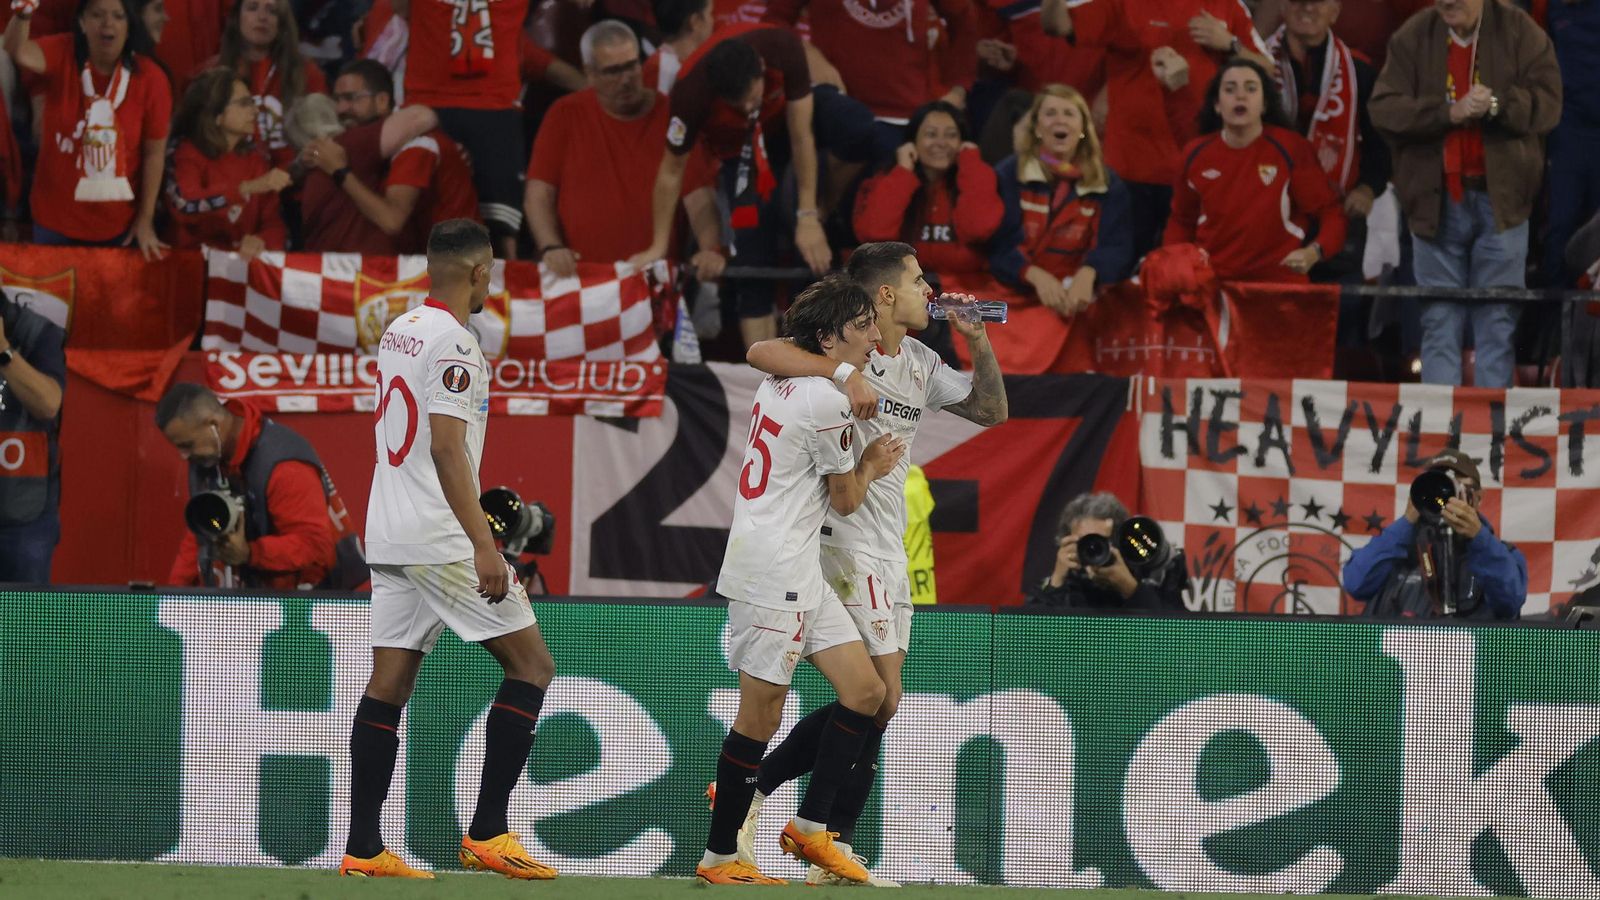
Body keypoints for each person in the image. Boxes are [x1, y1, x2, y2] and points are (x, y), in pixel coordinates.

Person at [740, 242, 1008, 884]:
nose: (929, 290)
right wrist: (842, 375)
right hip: (842, 538)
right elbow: (759, 353)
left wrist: (978, 341)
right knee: (875, 697)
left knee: (879, 704)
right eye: (918, 280)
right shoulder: (841, 352)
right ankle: (815, 831)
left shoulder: (917, 360)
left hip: (887, 547)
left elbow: (991, 411)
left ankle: (779, 805)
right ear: (885, 295)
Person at [342, 220, 559, 880]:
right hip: (439, 537)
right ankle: (489, 831)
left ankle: (364, 847)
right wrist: (483, 543)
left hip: (389, 529)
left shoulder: (401, 329)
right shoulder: (457, 344)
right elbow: (443, 447)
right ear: (481, 274)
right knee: (532, 668)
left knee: (390, 682)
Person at [698, 274, 906, 885]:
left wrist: (841, 375)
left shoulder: (787, 378)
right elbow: (844, 500)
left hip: (797, 570)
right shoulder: (827, 400)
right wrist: (870, 462)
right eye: (862, 328)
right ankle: (719, 857)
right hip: (773, 574)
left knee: (866, 693)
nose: (873, 338)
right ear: (828, 337)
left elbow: (766, 350)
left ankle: (812, 828)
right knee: (758, 718)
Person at [1369, 0, 1560, 388]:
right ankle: (1442, 431)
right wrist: (1446, 113)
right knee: (1438, 321)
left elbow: (1548, 106)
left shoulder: (1520, 31)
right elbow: (1384, 109)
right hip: (1433, 203)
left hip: (1503, 201)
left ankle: (1490, 431)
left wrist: (1496, 104)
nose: (1448, 2)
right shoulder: (1413, 36)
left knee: (1497, 322)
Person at [629, 28, 853, 347]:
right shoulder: (690, 92)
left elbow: (802, 136)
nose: (750, 106)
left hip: (788, 143)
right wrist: (658, 244)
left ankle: (817, 364)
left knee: (813, 253)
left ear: (761, 69)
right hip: (739, 155)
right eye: (739, 103)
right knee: (750, 261)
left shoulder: (784, 49)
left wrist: (807, 215)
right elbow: (670, 171)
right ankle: (761, 377)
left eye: (752, 95)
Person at [1041, 0, 1269, 258]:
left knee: (1186, 278)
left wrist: (1230, 44)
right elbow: (1056, 25)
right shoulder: (1123, 4)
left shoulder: (1227, 5)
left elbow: (1268, 70)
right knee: (1118, 279)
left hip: (1197, 174)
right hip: (1130, 172)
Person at [525, 20, 722, 280]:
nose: (626, 79)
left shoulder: (673, 116)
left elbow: (699, 195)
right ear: (590, 73)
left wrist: (710, 248)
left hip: (653, 280)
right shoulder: (564, 114)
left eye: (631, 65)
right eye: (613, 71)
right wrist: (551, 246)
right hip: (581, 281)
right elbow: (539, 194)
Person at [5, 0, 173, 259]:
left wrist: (145, 218)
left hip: (117, 228)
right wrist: (23, 14)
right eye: (97, 15)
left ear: (129, 26)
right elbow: (17, 51)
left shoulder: (151, 78)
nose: (108, 23)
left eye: (118, 16)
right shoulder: (63, 51)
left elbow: (154, 154)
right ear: (82, 22)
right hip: (54, 224)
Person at [156, 383, 361, 591]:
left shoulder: (284, 468)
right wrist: (170, 598)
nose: (184, 455)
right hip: (262, 600)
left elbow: (314, 546)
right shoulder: (209, 457)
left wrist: (251, 553)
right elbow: (200, 534)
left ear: (214, 425)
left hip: (325, 603)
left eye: (187, 445)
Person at [988, 84, 1133, 373]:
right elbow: (996, 243)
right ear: (1037, 127)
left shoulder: (1108, 183)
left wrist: (1090, 273)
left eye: (1069, 113)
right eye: (1050, 113)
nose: (1060, 120)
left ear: (1082, 127)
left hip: (1076, 301)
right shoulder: (1008, 174)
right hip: (1016, 294)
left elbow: (1118, 246)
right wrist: (1035, 276)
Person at [1164, 57, 1347, 284]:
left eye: (1251, 89)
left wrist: (1314, 252)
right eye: (1230, 90)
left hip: (1278, 286)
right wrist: (1174, 263)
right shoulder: (1194, 154)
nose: (1240, 96)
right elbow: (1182, 221)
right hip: (1214, 285)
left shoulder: (1291, 148)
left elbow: (1330, 213)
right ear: (1217, 105)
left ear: (1264, 104)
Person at [1263, 0, 1390, 283]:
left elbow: (1380, 142)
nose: (1306, 8)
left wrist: (1368, 189)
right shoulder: (1256, 67)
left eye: (1317, 2)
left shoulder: (1360, 72)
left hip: (1338, 208)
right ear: (1283, 7)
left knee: (1341, 311)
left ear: (1335, 13)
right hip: (1268, 211)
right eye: (1298, 1)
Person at [760, 0, 977, 159]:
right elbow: (774, 20)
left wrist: (958, 90)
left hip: (905, 119)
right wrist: (805, 52)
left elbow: (966, 20)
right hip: (836, 115)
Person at [405, 0, 531, 258]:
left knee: (501, 224)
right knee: (417, 211)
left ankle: (505, 293)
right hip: (429, 103)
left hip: (494, 104)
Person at [1342, 449, 1527, 620]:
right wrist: (1407, 520)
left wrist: (1478, 537)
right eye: (1437, 487)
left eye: (1456, 486)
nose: (1445, 497)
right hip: (1401, 653)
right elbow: (1356, 583)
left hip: (1468, 652)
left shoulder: (1499, 554)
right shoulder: (1400, 549)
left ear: (1477, 497)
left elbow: (1509, 602)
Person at [322, 59, 478, 253]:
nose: (340, 109)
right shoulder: (375, 144)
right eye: (337, 100)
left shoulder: (417, 144)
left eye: (351, 98)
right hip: (426, 261)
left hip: (457, 268)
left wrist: (340, 171)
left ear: (382, 101)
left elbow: (391, 221)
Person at [852, 101, 1004, 283]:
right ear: (912, 141)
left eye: (951, 135)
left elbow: (978, 229)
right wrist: (903, 173)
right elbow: (874, 235)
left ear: (963, 143)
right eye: (931, 134)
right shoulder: (887, 179)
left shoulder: (978, 175)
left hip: (966, 295)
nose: (941, 143)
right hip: (901, 292)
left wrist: (970, 163)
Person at [287, 92, 441, 254]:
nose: (343, 108)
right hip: (365, 268)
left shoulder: (304, 172)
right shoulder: (348, 144)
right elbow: (422, 116)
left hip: (324, 268)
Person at [165, 67, 289, 258]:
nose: (255, 111)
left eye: (253, 102)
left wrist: (262, 240)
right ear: (216, 114)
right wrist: (244, 189)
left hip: (240, 269)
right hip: (191, 268)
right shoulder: (184, 153)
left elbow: (274, 224)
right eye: (244, 104)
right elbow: (184, 206)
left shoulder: (255, 160)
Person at [1025, 492, 1188, 611]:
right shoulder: (1062, 589)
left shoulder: (1145, 584)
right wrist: (1057, 580)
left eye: (1102, 542)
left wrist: (1130, 588)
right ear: (1066, 543)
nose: (1095, 551)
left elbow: (1179, 641)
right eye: (1085, 543)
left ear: (1120, 545)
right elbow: (1028, 642)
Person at [212, 0, 326, 169]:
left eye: (272, 11)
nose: (262, 17)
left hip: (294, 183)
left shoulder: (308, 74)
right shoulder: (211, 74)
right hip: (230, 184)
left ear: (282, 22)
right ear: (236, 17)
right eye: (252, 8)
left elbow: (324, 145)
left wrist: (310, 159)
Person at [0, 292, 65, 584]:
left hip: (25, 512)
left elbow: (49, 404)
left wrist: (3, 351)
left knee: (24, 623)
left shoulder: (38, 332)